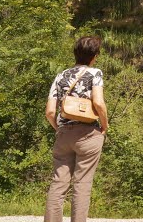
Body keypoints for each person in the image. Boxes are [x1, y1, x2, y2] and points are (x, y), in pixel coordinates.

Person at [44, 35, 109, 222]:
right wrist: (105, 125)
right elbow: (98, 102)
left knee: (58, 183)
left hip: (64, 135)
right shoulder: (95, 73)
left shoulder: (60, 76)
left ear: (75, 53)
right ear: (94, 56)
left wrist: (59, 128)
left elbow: (49, 111)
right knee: (82, 185)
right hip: (88, 134)